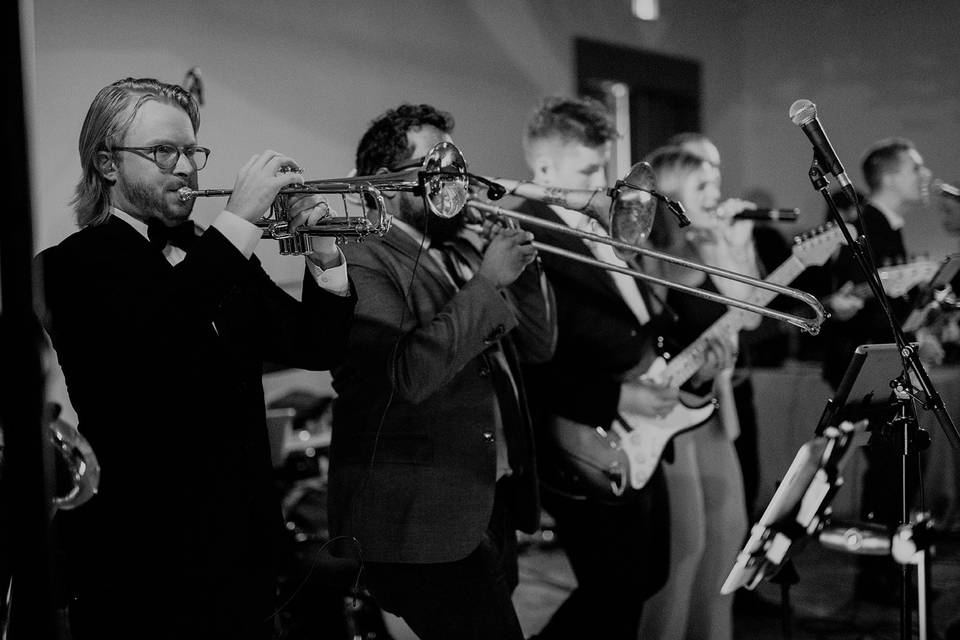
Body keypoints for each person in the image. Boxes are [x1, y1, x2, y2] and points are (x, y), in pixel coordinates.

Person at [34, 77, 356, 640]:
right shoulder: (66, 268)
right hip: (144, 561)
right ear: (107, 165)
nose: (185, 167)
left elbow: (314, 345)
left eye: (191, 151)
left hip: (246, 549)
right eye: (163, 152)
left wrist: (323, 250)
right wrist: (239, 224)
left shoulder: (213, 249)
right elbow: (156, 339)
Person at [326, 103, 556, 640]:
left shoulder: (452, 251)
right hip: (421, 517)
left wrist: (520, 269)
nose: (451, 183)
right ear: (385, 183)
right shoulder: (358, 254)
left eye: (451, 167)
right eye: (434, 168)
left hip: (483, 497)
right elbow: (408, 375)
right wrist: (487, 282)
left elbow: (539, 346)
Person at [514, 97, 729, 640]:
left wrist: (694, 370)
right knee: (616, 584)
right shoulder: (527, 232)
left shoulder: (603, 224)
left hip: (639, 428)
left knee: (645, 577)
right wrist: (616, 400)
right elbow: (534, 355)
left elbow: (640, 322)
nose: (603, 181)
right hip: (585, 428)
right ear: (544, 169)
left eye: (604, 166)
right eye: (589, 169)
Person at [640, 145, 757, 640]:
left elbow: (751, 314)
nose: (717, 194)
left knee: (727, 545)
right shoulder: (649, 259)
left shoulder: (707, 248)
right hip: (666, 421)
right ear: (673, 198)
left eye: (716, 182)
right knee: (682, 552)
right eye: (703, 186)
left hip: (712, 412)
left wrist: (730, 243)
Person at [820, 138, 931, 603]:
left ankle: (889, 572)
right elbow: (853, 300)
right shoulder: (863, 224)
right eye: (915, 168)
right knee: (891, 464)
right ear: (888, 175)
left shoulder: (889, 226)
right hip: (864, 363)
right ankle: (878, 575)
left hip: (885, 359)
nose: (925, 175)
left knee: (902, 462)